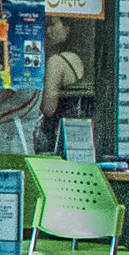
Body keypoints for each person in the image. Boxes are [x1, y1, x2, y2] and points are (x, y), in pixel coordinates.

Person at [36, 15, 91, 154]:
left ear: (67, 28)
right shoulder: (75, 58)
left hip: (56, 136)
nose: (48, 31)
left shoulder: (56, 61)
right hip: (77, 135)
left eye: (53, 24)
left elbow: (48, 107)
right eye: (46, 26)